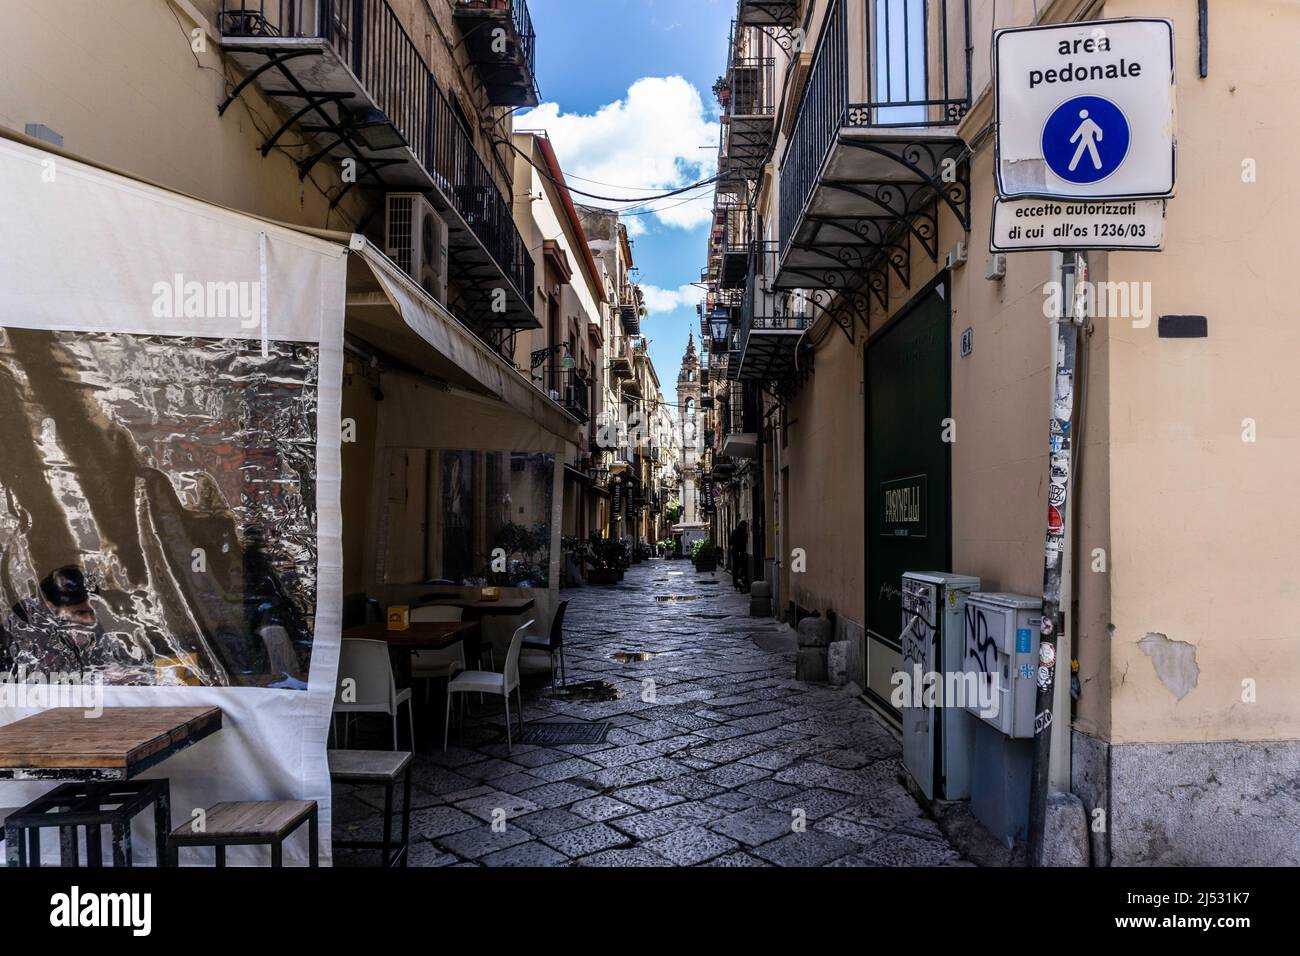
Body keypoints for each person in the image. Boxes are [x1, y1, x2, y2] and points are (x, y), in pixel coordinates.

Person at [729, 520, 749, 592]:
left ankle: (737, 583)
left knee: (736, 568)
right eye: (745, 526)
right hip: (739, 552)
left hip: (737, 552)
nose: (745, 527)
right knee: (741, 568)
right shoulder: (741, 532)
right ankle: (740, 582)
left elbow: (730, 541)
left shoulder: (735, 532)